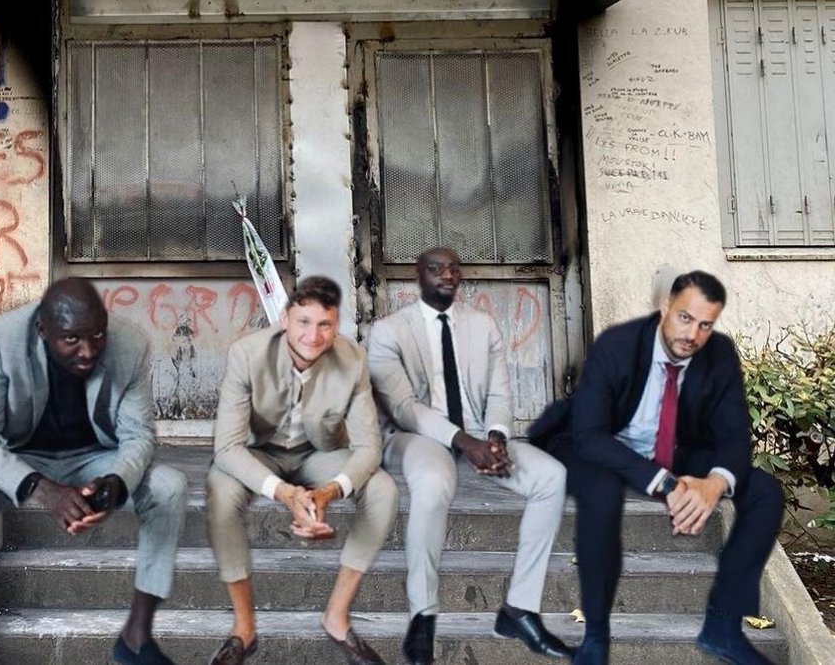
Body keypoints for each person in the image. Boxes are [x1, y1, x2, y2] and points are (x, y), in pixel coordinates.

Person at [530, 270, 784, 665]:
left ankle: (722, 627)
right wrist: (666, 484)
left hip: (670, 449)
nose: (693, 334)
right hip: (598, 444)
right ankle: (595, 637)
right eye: (685, 318)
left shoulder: (717, 354)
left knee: (764, 490)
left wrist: (714, 483)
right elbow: (590, 436)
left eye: (705, 325)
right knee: (601, 491)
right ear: (665, 309)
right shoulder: (617, 346)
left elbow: (735, 438)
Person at [0, 277, 186, 665]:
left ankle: (136, 638)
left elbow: (138, 436)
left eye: (97, 335)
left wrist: (116, 483)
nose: (88, 351)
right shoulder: (3, 338)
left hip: (96, 458)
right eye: (72, 339)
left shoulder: (131, 343)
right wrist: (42, 488)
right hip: (23, 459)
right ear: (43, 330)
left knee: (170, 486)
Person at [367, 247, 572, 664]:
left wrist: (495, 437)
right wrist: (464, 442)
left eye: (453, 268)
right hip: (417, 437)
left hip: (479, 433)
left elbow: (499, 393)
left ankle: (519, 609)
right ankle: (422, 616)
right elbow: (404, 408)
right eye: (436, 268)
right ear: (418, 275)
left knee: (551, 476)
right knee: (433, 483)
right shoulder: (388, 331)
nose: (447, 275)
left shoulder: (483, 325)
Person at [206, 276, 398, 665]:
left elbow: (368, 448)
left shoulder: (352, 360)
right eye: (303, 322)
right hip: (260, 453)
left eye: (325, 324)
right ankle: (243, 628)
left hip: (319, 454)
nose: (313, 336)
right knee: (220, 488)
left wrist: (328, 491)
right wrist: (285, 493)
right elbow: (226, 448)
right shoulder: (247, 354)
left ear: (336, 325)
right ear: (285, 320)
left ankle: (336, 617)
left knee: (383, 490)